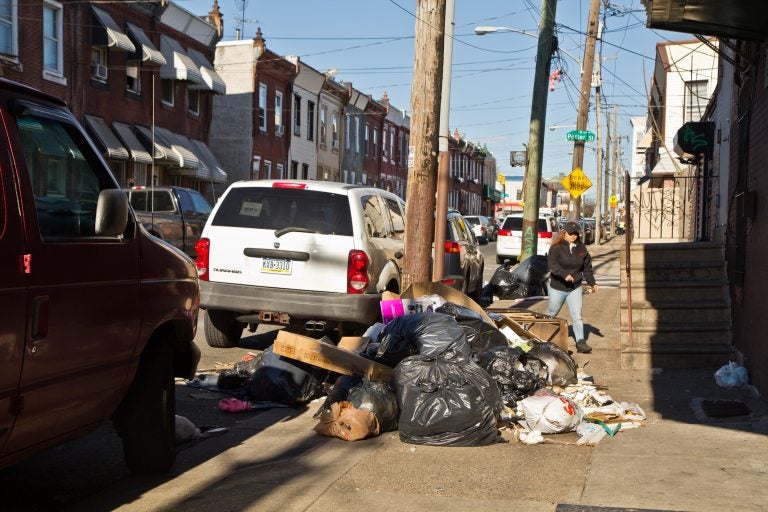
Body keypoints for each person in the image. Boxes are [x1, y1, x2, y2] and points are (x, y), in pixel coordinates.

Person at [546, 220, 599, 353]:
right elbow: (553, 266)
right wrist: (564, 275)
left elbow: (587, 268)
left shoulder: (581, 249)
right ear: (564, 233)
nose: (574, 236)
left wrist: (593, 283)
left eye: (576, 233)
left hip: (575, 287)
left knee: (577, 315)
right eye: (571, 233)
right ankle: (542, 336)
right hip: (558, 287)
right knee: (552, 313)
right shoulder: (555, 248)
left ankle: (581, 343)